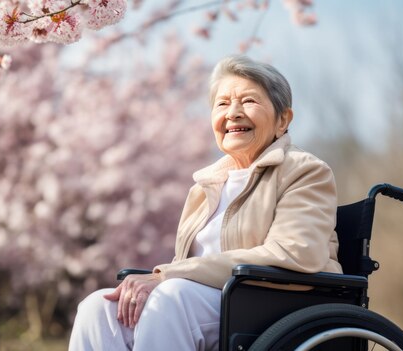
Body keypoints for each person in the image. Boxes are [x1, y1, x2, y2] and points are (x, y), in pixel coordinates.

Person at [68, 55, 343, 351]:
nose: (233, 113)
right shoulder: (205, 187)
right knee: (98, 308)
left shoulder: (304, 171)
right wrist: (158, 280)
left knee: (170, 297)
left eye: (249, 101)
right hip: (200, 300)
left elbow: (294, 253)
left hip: (268, 302)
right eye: (222, 104)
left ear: (283, 120)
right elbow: (183, 267)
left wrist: (167, 276)